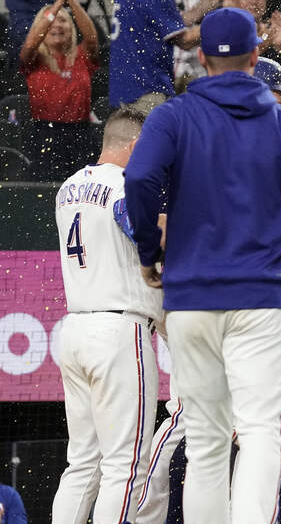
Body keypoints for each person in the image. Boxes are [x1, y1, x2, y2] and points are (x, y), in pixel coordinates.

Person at [123, 7, 281, 522]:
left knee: (205, 441)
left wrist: (151, 250)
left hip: (191, 298)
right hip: (262, 298)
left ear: (201, 58)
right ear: (256, 55)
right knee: (262, 432)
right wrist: (270, 235)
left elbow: (138, 180)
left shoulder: (172, 116)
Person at [50, 107, 158, 524]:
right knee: (124, 466)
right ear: (134, 146)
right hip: (118, 329)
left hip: (75, 326)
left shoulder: (67, 186)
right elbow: (147, 236)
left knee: (81, 463)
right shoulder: (127, 186)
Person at [18, 0, 97, 181]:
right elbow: (31, 42)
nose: (57, 24)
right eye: (51, 20)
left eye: (63, 19)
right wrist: (59, 0)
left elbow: (91, 38)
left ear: (71, 27)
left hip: (81, 135)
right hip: (45, 135)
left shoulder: (82, 56)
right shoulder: (34, 59)